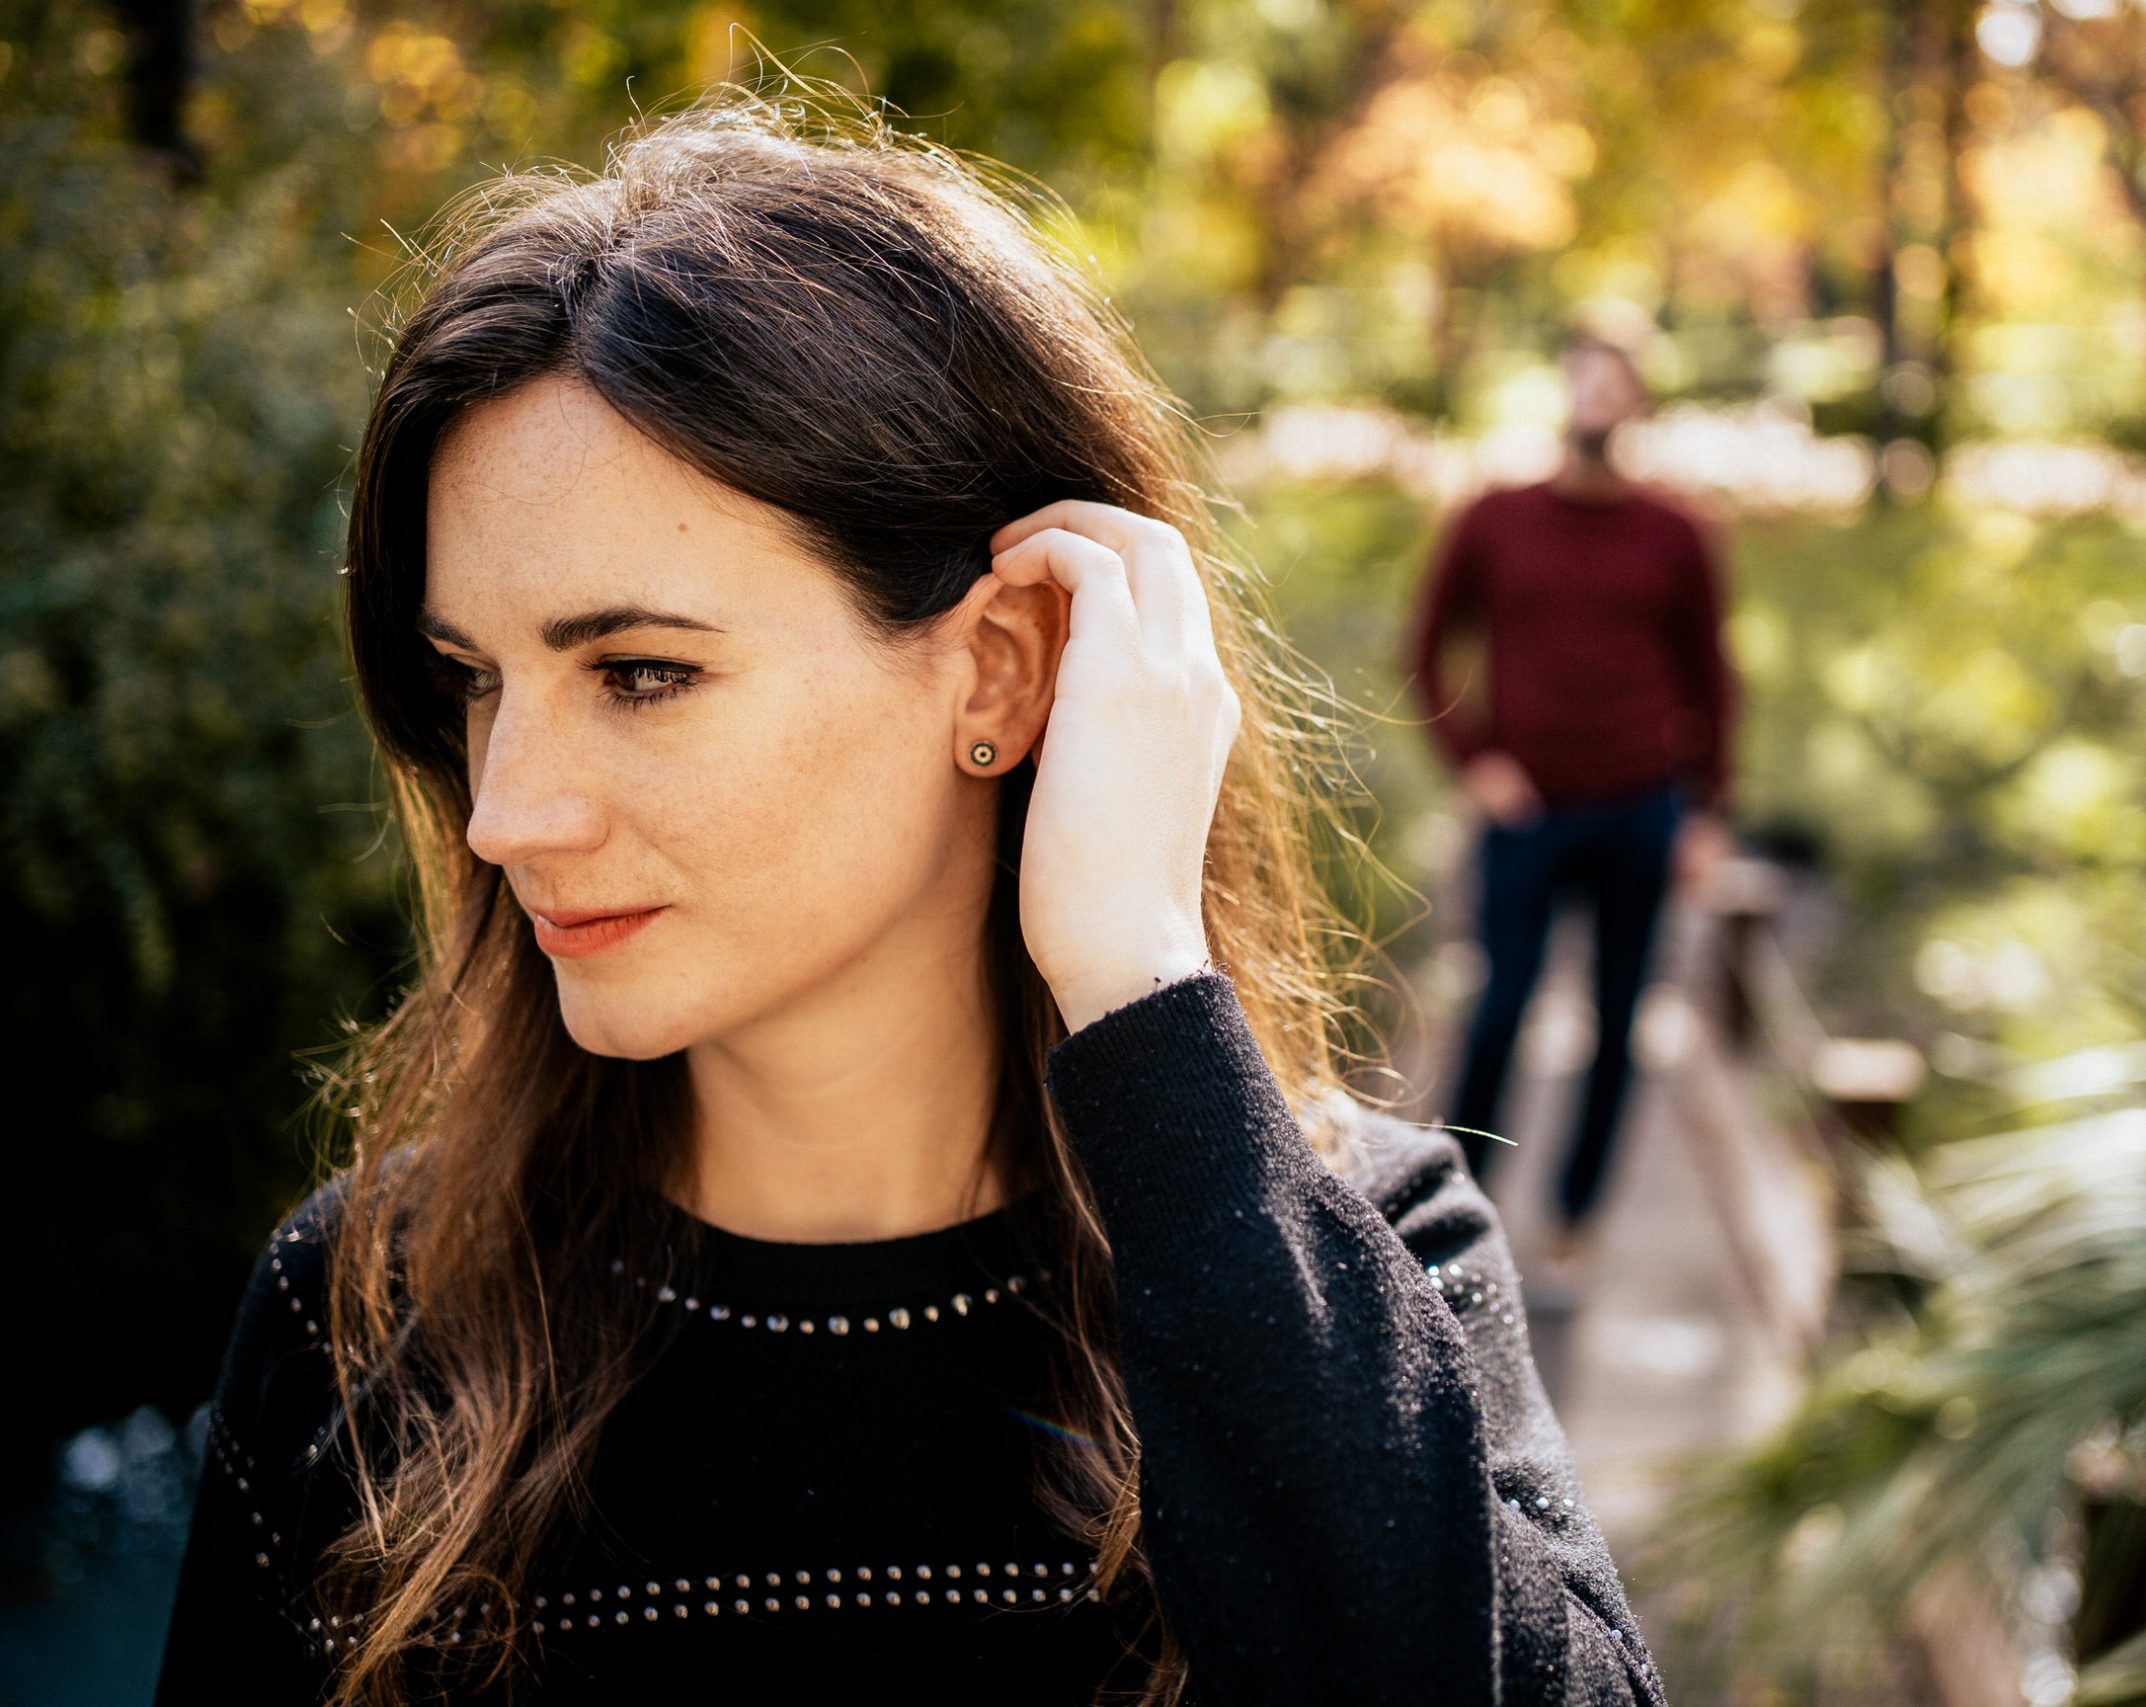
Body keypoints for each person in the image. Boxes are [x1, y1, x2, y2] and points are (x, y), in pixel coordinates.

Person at [154, 99, 1666, 1707]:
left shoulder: (1357, 1262)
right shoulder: (366, 1310)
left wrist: (1144, 987)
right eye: (473, 680)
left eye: (641, 671)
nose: (507, 810)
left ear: (1000, 667)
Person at [1408, 330, 1739, 1276]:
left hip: (1642, 811)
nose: (1595, 391)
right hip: (1528, 816)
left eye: (1614, 376)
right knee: (1500, 1010)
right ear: (1558, 391)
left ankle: (1573, 1224)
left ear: (1636, 400)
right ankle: (1449, 1218)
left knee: (1618, 1021)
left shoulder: (1678, 534)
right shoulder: (1493, 518)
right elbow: (1426, 652)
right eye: (1580, 373)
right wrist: (1473, 762)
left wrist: (1708, 811)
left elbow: (1712, 677)